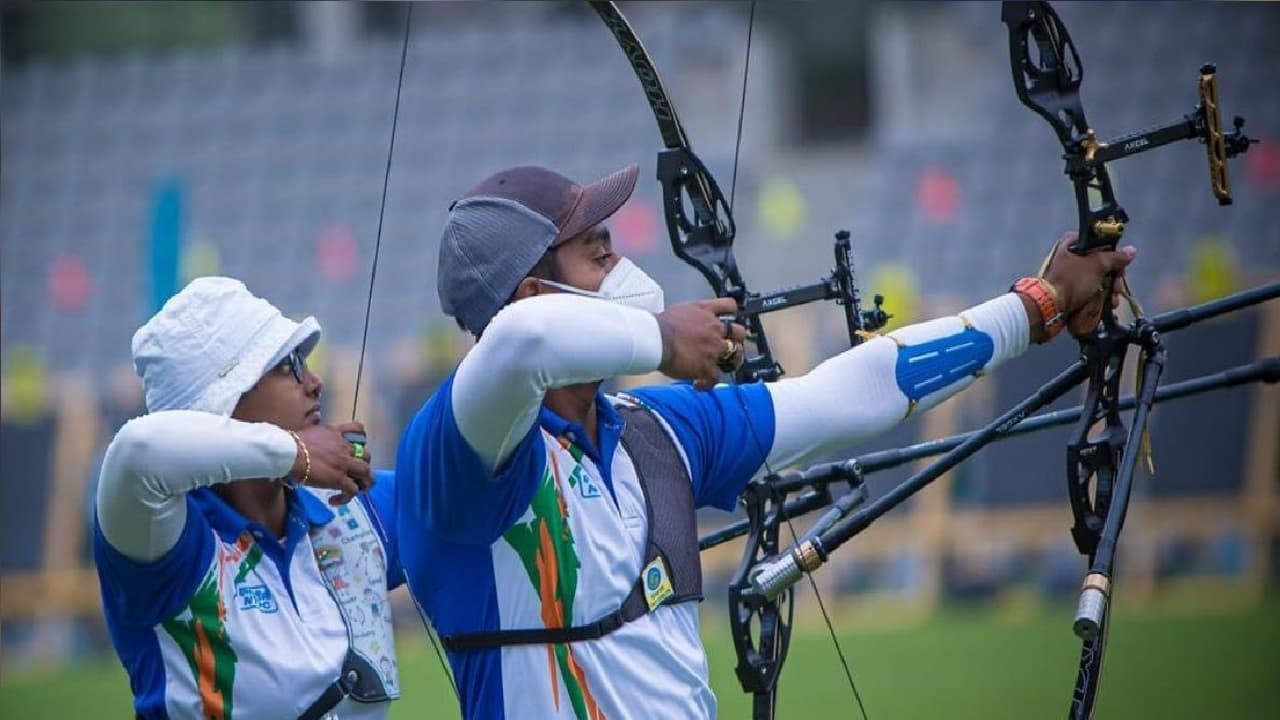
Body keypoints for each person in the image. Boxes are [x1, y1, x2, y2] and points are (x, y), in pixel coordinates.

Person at [395, 165, 1135, 719]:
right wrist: (663, 338)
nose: (621, 268)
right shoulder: (460, 461)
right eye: (596, 254)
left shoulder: (657, 433)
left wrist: (1036, 306)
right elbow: (522, 344)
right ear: (533, 292)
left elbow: (853, 391)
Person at [93, 277, 403, 720]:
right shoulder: (169, 545)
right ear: (225, 402)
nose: (314, 382)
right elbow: (135, 451)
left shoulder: (350, 509)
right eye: (288, 365)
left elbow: (468, 477)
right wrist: (296, 453)